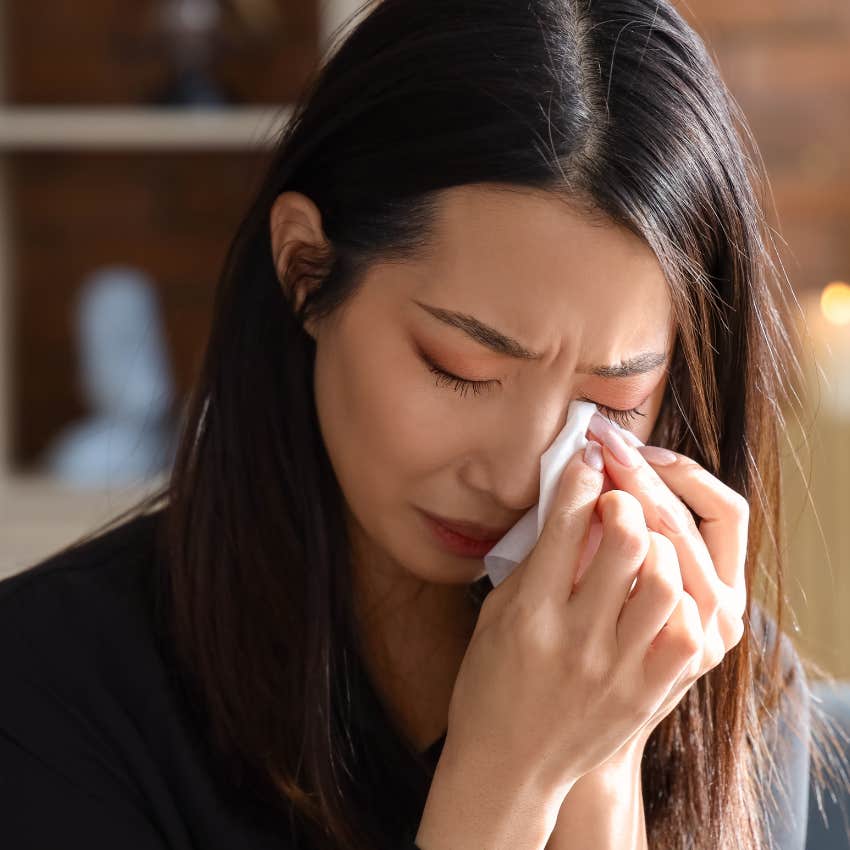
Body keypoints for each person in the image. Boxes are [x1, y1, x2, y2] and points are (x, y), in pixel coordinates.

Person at [0, 1, 837, 848]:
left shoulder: (719, 675)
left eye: (611, 400)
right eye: (460, 369)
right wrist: (508, 778)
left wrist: (602, 764)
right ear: (304, 269)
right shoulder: (48, 686)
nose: (519, 474)